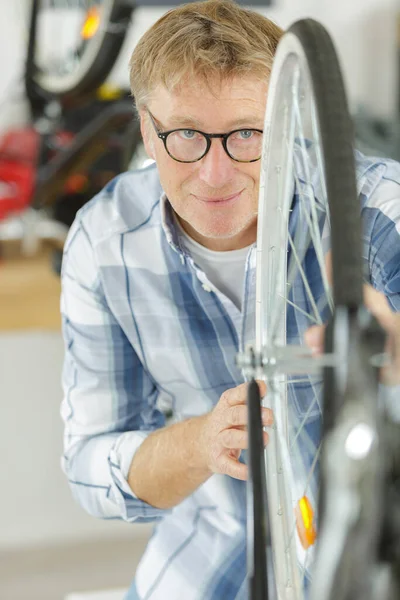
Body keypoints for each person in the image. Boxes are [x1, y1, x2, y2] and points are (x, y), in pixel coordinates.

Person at [60, 1, 400, 599]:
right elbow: (91, 465)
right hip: (222, 538)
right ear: (146, 129)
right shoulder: (105, 240)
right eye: (186, 134)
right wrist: (199, 443)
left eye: (247, 134)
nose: (215, 174)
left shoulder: (380, 213)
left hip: (375, 538)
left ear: (287, 123)